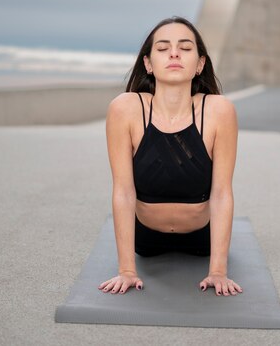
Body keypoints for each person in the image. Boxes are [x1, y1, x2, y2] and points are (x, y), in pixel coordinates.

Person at [98, 16, 243, 297]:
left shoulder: (220, 110)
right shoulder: (125, 108)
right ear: (148, 64)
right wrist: (127, 270)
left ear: (200, 64)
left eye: (185, 48)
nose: (174, 53)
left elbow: (222, 193)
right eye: (163, 48)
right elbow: (124, 191)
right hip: (146, 239)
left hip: (201, 238)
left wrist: (218, 271)